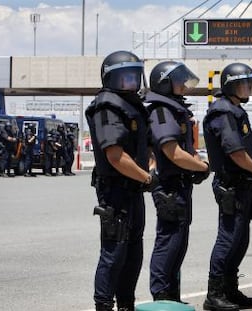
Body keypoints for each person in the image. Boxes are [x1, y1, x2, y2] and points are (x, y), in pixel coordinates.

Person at [85, 50, 158, 311]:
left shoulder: (133, 106)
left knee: (133, 253)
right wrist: (148, 178)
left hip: (134, 189)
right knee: (114, 252)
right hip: (115, 190)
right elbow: (115, 156)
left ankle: (126, 304)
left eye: (134, 76)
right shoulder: (107, 105)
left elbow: (147, 147)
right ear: (111, 78)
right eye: (125, 77)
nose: (131, 82)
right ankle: (103, 306)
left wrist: (149, 169)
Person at [202, 63, 252, 311]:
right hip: (232, 184)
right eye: (244, 83)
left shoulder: (236, 111)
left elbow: (249, 147)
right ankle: (214, 294)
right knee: (228, 239)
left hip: (245, 185)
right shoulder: (223, 111)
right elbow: (235, 151)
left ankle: (229, 290)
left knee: (240, 240)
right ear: (231, 84)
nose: (248, 87)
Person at [145, 61, 210, 302]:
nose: (184, 84)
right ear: (164, 83)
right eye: (178, 80)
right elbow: (173, 152)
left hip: (180, 185)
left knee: (178, 242)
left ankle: (171, 296)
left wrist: (196, 162)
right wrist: (202, 166)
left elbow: (183, 149)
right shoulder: (161, 111)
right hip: (169, 186)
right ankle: (161, 297)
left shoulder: (174, 110)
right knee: (169, 242)